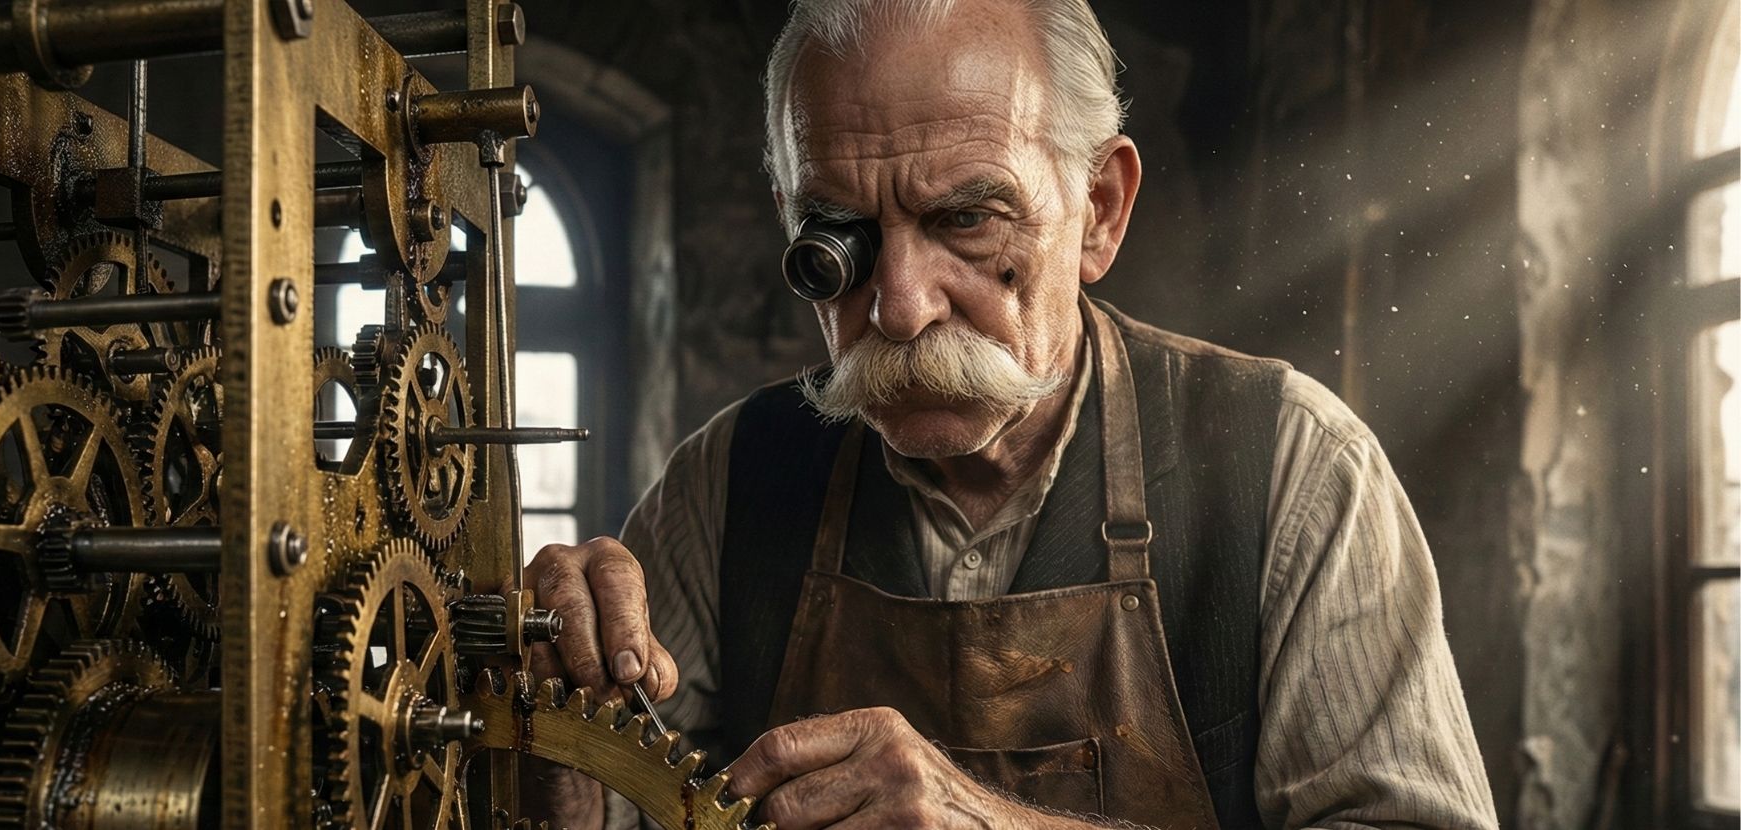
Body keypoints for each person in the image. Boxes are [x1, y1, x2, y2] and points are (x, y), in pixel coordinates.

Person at [524, 0, 1500, 827]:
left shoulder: (1293, 471)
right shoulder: (728, 486)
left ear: (1101, 209)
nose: (901, 305)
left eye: (965, 218)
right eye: (839, 240)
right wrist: (551, 728)